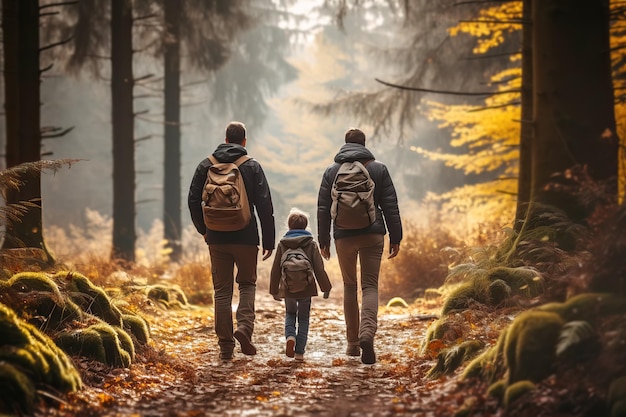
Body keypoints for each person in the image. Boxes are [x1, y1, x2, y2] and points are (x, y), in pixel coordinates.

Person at [188, 121, 275, 361]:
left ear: (225, 140)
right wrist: (269, 239)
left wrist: (204, 230)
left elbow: (193, 200)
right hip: (246, 237)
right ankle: (244, 329)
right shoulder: (252, 166)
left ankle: (225, 345)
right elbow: (265, 205)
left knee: (222, 291)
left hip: (216, 236)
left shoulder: (206, 165)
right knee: (247, 284)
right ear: (244, 142)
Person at [317, 127, 402, 364]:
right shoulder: (378, 169)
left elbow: (323, 208)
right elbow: (390, 205)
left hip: (343, 236)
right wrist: (396, 237)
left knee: (349, 286)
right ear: (365, 144)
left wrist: (323, 239)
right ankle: (367, 334)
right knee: (370, 286)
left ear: (345, 144)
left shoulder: (331, 171)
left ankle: (353, 344)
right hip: (373, 234)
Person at [270, 208, 332, 361]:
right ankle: (299, 353)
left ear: (289, 226)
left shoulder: (283, 244)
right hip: (307, 287)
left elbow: (275, 269)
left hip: (288, 287)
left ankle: (290, 337)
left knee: (290, 314)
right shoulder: (311, 244)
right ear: (305, 226)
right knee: (303, 319)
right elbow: (319, 268)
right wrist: (326, 287)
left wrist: (274, 290)